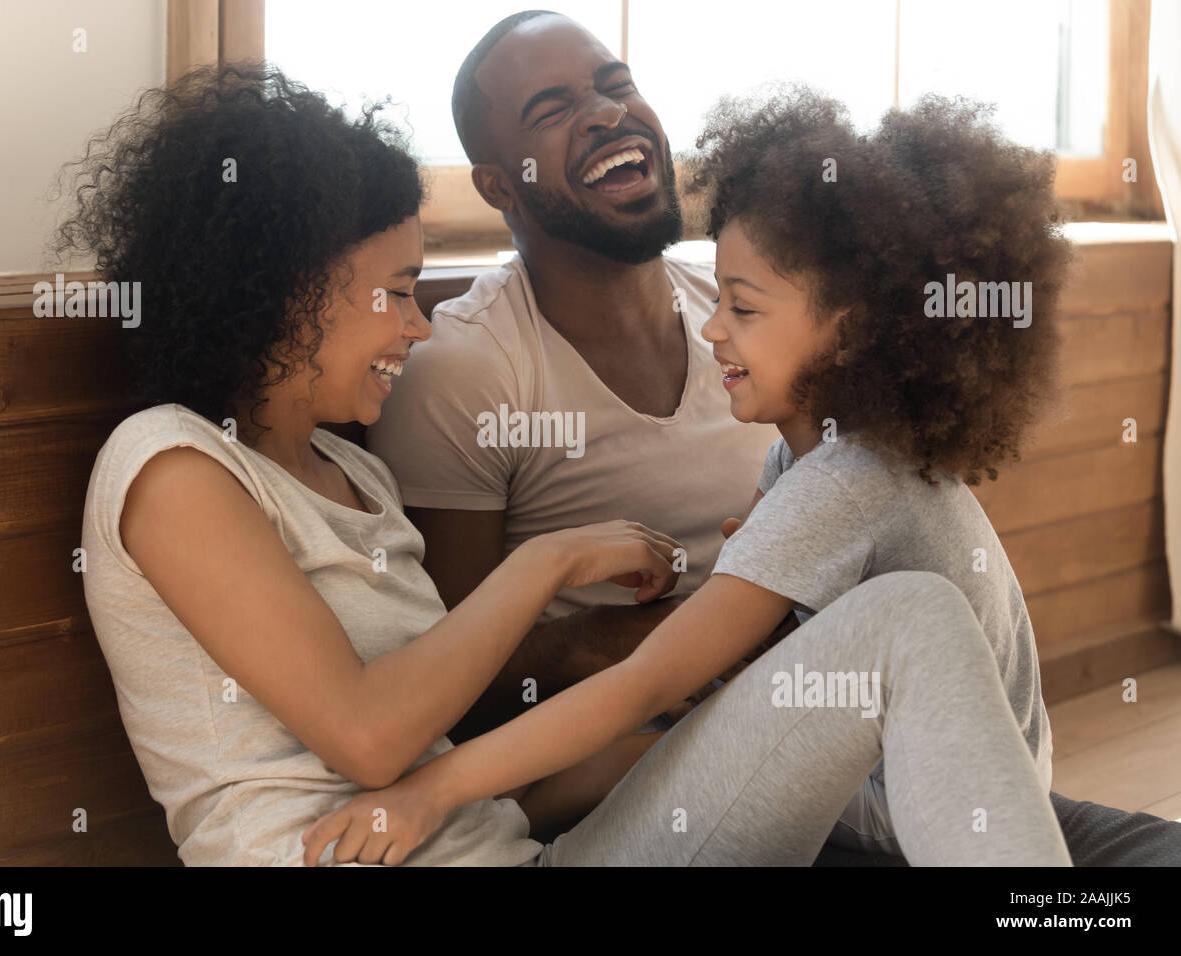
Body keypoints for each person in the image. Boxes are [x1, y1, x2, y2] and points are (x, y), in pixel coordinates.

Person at [300, 87, 1076, 866]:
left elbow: (642, 683)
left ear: (853, 333)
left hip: (911, 796)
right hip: (870, 764)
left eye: (742, 309)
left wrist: (431, 791)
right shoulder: (799, 458)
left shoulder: (848, 479)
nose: (711, 327)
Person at [66, 65, 685, 865]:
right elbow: (369, 739)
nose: (417, 329)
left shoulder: (358, 478)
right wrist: (550, 559)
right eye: (396, 294)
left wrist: (694, 732)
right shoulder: (172, 466)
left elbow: (463, 790)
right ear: (292, 292)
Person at [366, 11, 779, 742]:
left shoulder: (741, 314)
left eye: (617, 85)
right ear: (499, 187)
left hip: (816, 717)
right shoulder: (465, 371)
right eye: (553, 110)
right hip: (629, 780)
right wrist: (695, 634)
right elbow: (452, 692)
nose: (608, 113)